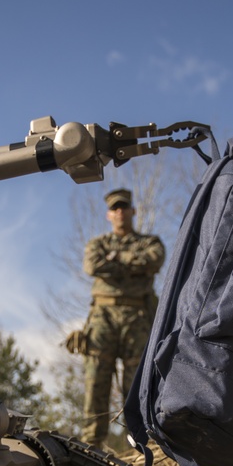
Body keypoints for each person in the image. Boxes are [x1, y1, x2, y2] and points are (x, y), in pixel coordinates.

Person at [78, 188, 165, 449]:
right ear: (108, 215)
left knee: (136, 385)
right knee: (96, 382)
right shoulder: (98, 243)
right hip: (102, 317)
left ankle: (138, 445)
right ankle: (91, 446)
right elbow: (92, 265)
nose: (120, 212)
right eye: (115, 208)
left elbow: (153, 261)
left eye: (124, 207)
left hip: (137, 318)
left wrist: (115, 261)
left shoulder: (150, 242)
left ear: (133, 211)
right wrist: (131, 264)